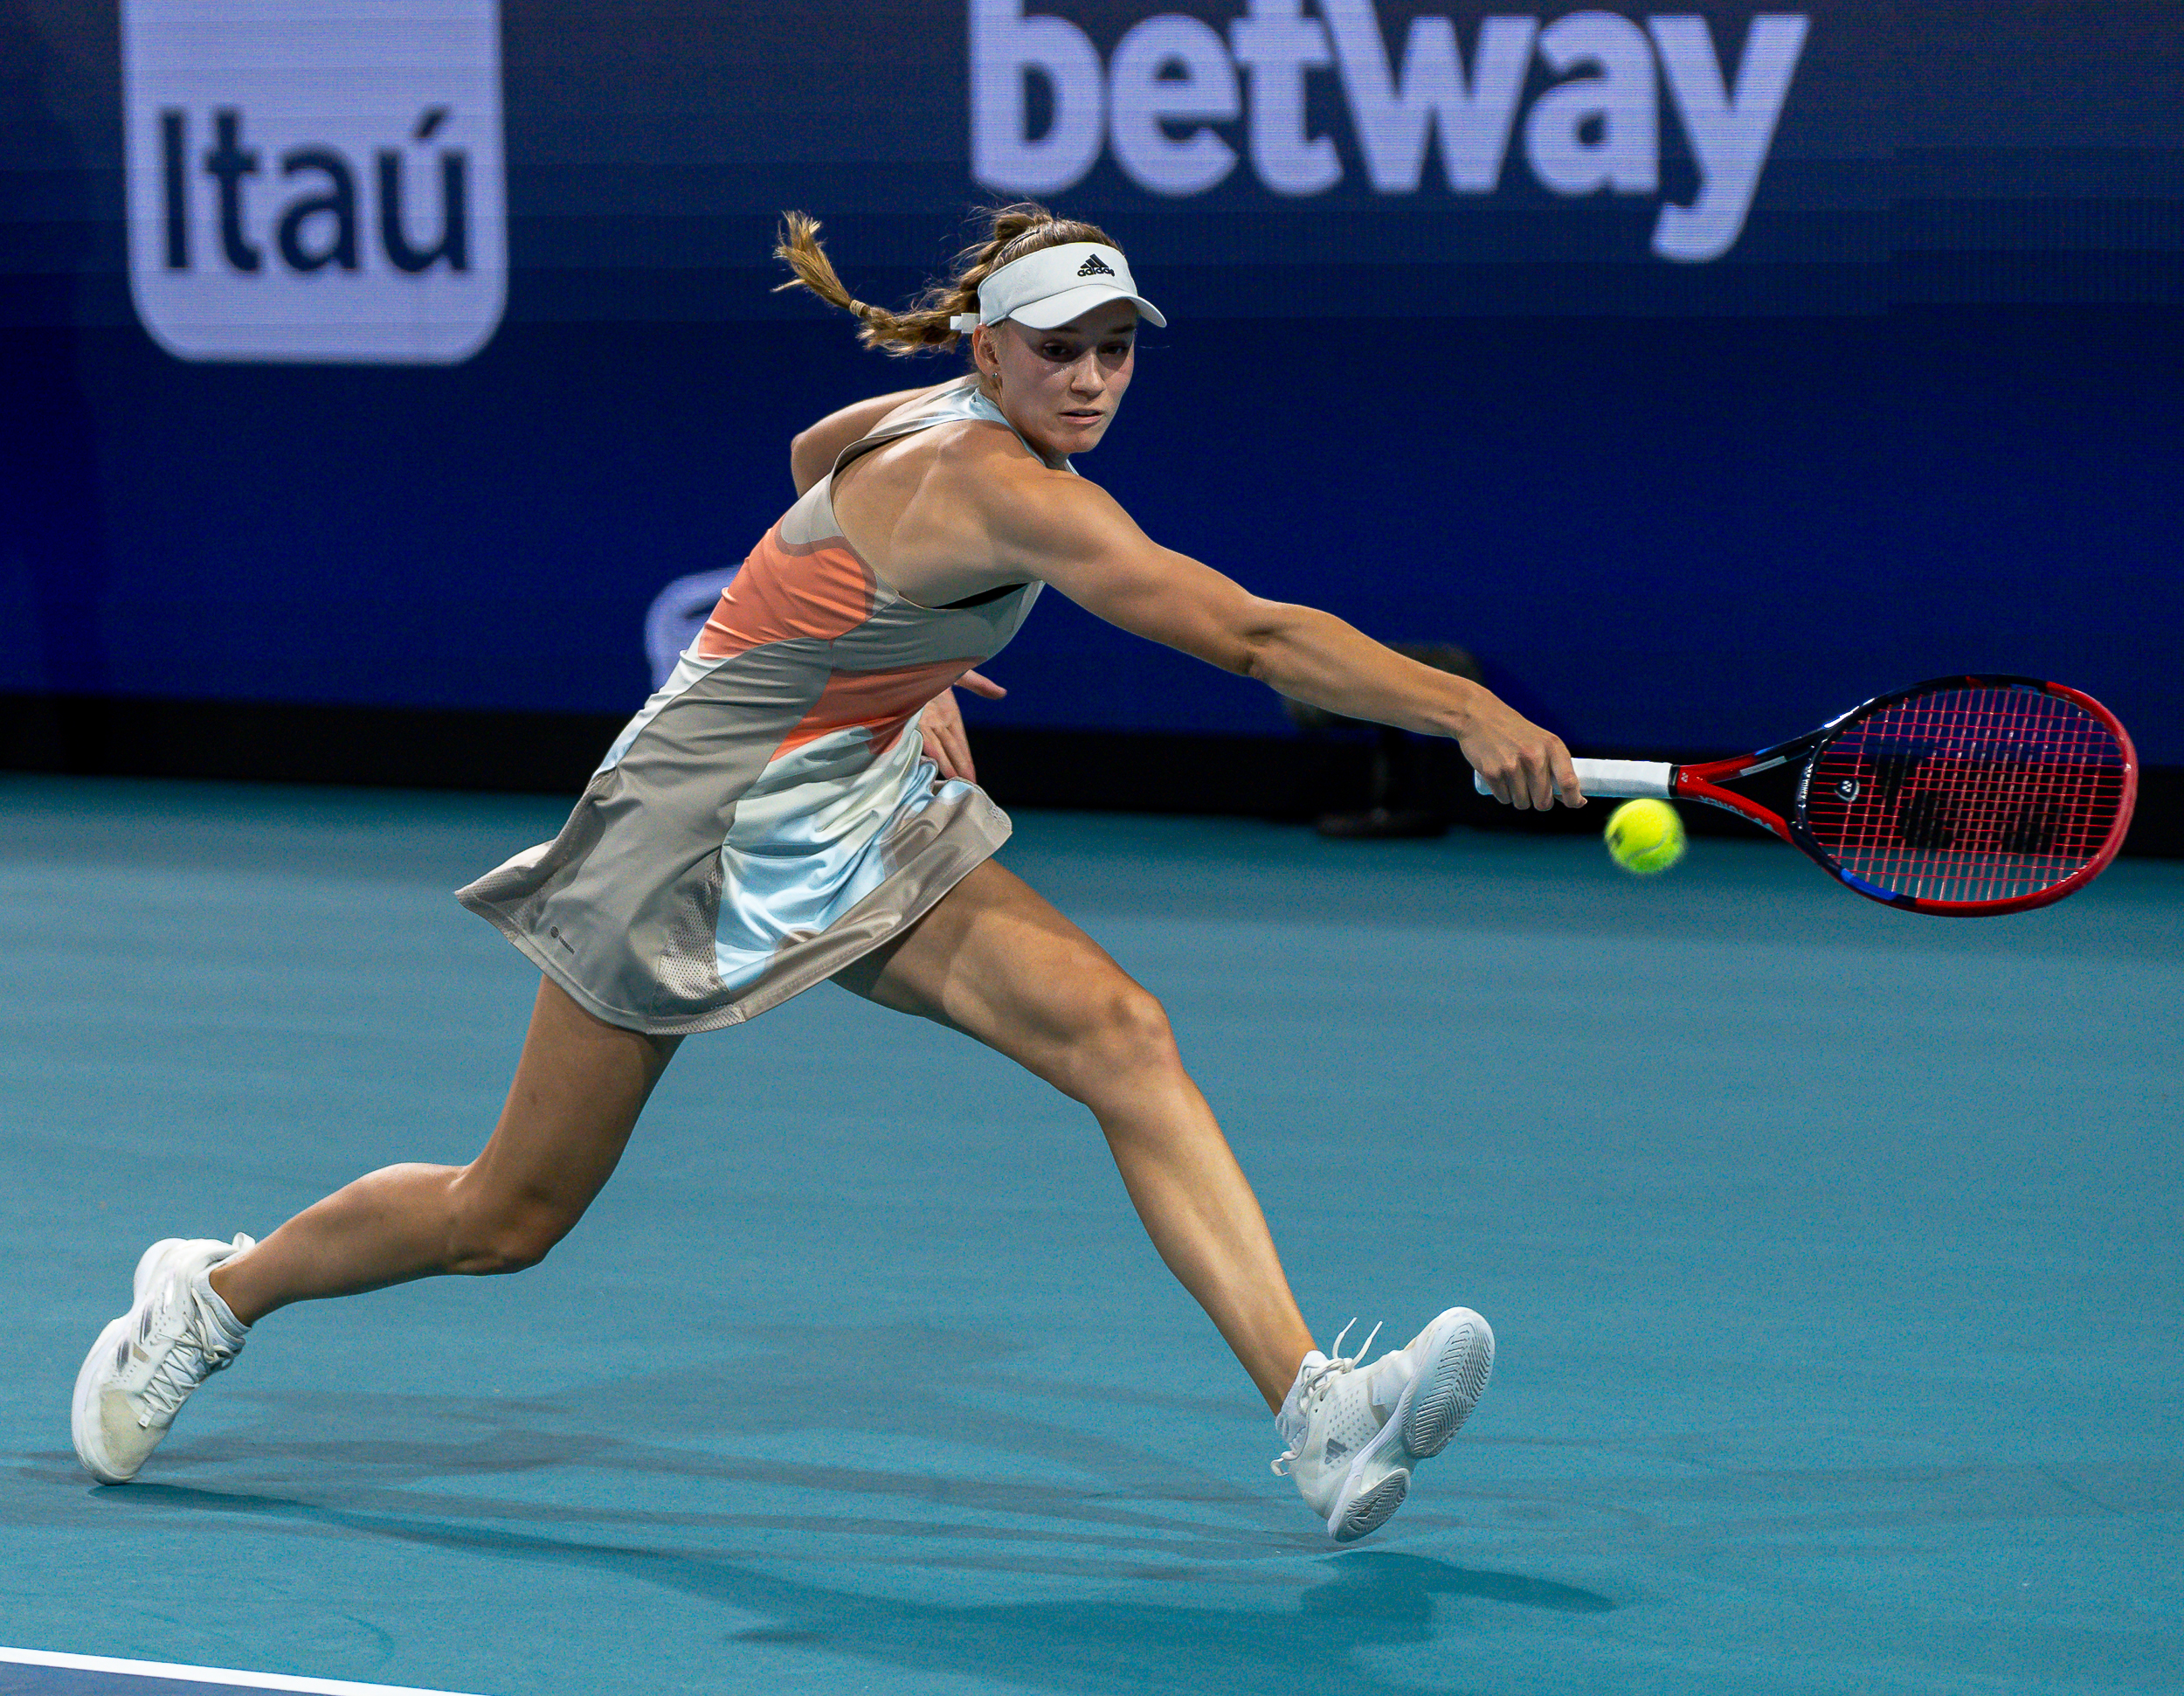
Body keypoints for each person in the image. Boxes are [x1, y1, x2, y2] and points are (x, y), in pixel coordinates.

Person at [70, 204, 1586, 1542]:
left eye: (1119, 348)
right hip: (689, 827)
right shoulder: (1011, 489)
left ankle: (1317, 1412)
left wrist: (901, 660)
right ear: (991, 356)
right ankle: (209, 1295)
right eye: (1061, 349)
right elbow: (1252, 638)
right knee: (509, 1215)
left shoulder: (934, 418)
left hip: (855, 800)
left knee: (1118, 1034)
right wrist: (1469, 708)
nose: (1093, 378)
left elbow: (815, 459)